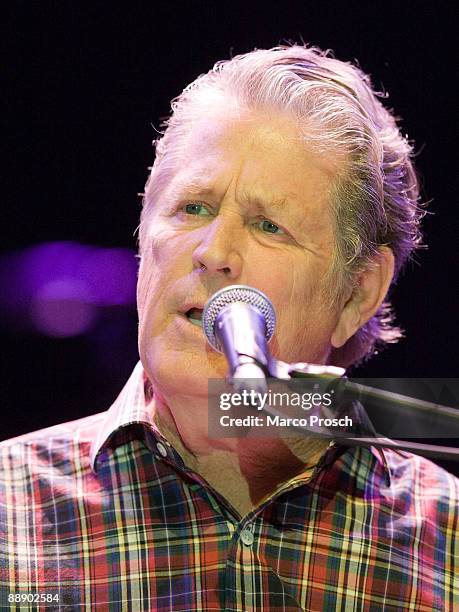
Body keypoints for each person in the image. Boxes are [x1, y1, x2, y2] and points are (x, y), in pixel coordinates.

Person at [1, 44, 457, 611]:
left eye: (269, 225)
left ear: (358, 293)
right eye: (192, 208)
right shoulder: (9, 516)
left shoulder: (449, 545)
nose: (213, 251)